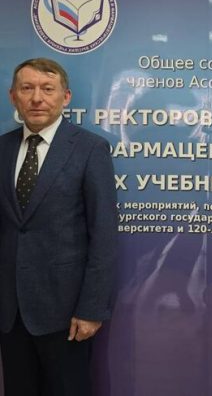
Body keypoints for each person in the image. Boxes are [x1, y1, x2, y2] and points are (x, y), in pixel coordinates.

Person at [0, 58, 117, 396]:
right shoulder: (2, 148)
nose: (37, 98)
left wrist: (91, 308)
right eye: (27, 88)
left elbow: (103, 235)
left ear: (65, 97)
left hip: (67, 315)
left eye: (47, 89)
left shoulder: (90, 149)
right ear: (13, 97)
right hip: (10, 313)